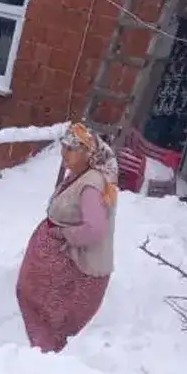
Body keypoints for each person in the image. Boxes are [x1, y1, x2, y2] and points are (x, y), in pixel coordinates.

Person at [15, 122, 117, 353]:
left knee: (52, 321)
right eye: (63, 148)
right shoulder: (81, 176)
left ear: (88, 153)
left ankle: (45, 361)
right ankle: (42, 356)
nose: (64, 154)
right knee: (40, 313)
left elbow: (95, 229)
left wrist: (62, 235)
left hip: (77, 271)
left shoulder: (91, 185)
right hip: (64, 265)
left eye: (71, 149)